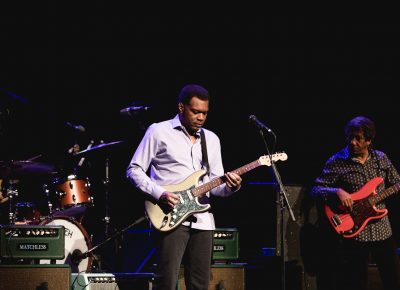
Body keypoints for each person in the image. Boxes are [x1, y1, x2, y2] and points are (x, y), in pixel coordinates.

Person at [126, 84, 242, 290]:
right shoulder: (159, 131)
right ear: (181, 107)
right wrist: (160, 193)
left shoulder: (212, 139)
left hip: (203, 221)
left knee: (200, 284)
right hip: (170, 216)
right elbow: (133, 170)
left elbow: (214, 186)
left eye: (205, 113)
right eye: (195, 111)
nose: (201, 117)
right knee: (167, 282)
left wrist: (231, 186)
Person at [311, 116, 400, 290]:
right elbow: (316, 189)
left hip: (382, 229)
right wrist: (337, 191)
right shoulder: (337, 161)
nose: (352, 142)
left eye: (358, 139)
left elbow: (396, 181)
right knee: (355, 282)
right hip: (355, 232)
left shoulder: (381, 158)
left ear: (369, 140)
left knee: (393, 279)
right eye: (350, 137)